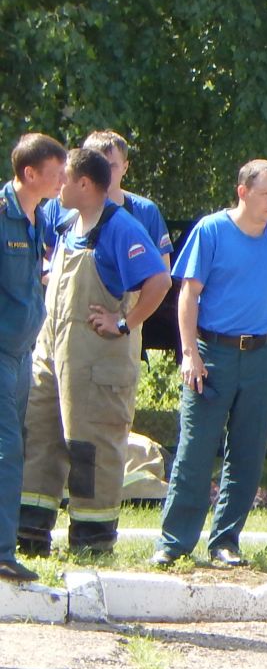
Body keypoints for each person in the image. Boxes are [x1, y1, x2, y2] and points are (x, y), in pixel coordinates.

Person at [152, 160, 267, 567]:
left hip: (262, 356)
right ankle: (174, 543)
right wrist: (189, 353)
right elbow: (187, 295)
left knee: (247, 452)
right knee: (195, 450)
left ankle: (226, 541)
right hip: (213, 353)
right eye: (266, 194)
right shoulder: (212, 230)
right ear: (243, 192)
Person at [17, 148, 171, 554]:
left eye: (64, 179)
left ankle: (92, 540)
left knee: (90, 446)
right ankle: (30, 532)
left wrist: (123, 323)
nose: (58, 186)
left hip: (98, 362)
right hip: (54, 353)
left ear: (85, 184)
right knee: (40, 436)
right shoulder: (67, 223)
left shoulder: (120, 228)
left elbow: (159, 281)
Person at [0, 133, 67, 583]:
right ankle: (3, 552)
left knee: (12, 445)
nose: (65, 178)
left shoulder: (38, 216)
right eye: (57, 171)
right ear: (29, 173)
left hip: (21, 352)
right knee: (7, 450)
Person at [51, 132, 171, 261]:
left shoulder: (146, 211)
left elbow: (163, 270)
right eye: (96, 168)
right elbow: (40, 259)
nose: (104, 173)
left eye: (111, 167)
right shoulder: (59, 205)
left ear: (125, 167)